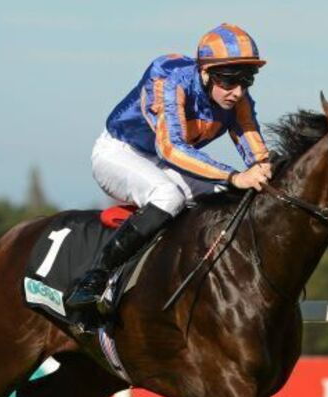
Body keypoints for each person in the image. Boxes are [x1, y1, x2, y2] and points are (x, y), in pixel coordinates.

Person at [66, 23, 273, 318]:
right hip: (120, 151)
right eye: (229, 81)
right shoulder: (169, 77)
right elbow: (171, 148)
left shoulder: (237, 99)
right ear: (205, 72)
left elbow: (255, 149)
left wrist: (263, 171)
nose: (237, 92)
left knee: (229, 197)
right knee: (168, 196)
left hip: (164, 163)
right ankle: (95, 278)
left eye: (246, 81)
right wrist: (234, 176)